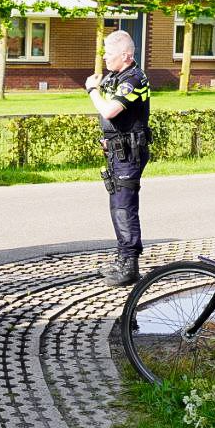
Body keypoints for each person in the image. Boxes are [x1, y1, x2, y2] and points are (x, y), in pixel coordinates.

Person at [85, 30, 151, 287]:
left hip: (130, 154)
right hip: (118, 151)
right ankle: (122, 259)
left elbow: (110, 111)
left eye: (109, 53)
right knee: (117, 206)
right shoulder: (116, 76)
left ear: (126, 55)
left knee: (124, 207)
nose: (104, 57)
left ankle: (130, 266)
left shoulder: (134, 79)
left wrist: (92, 90)